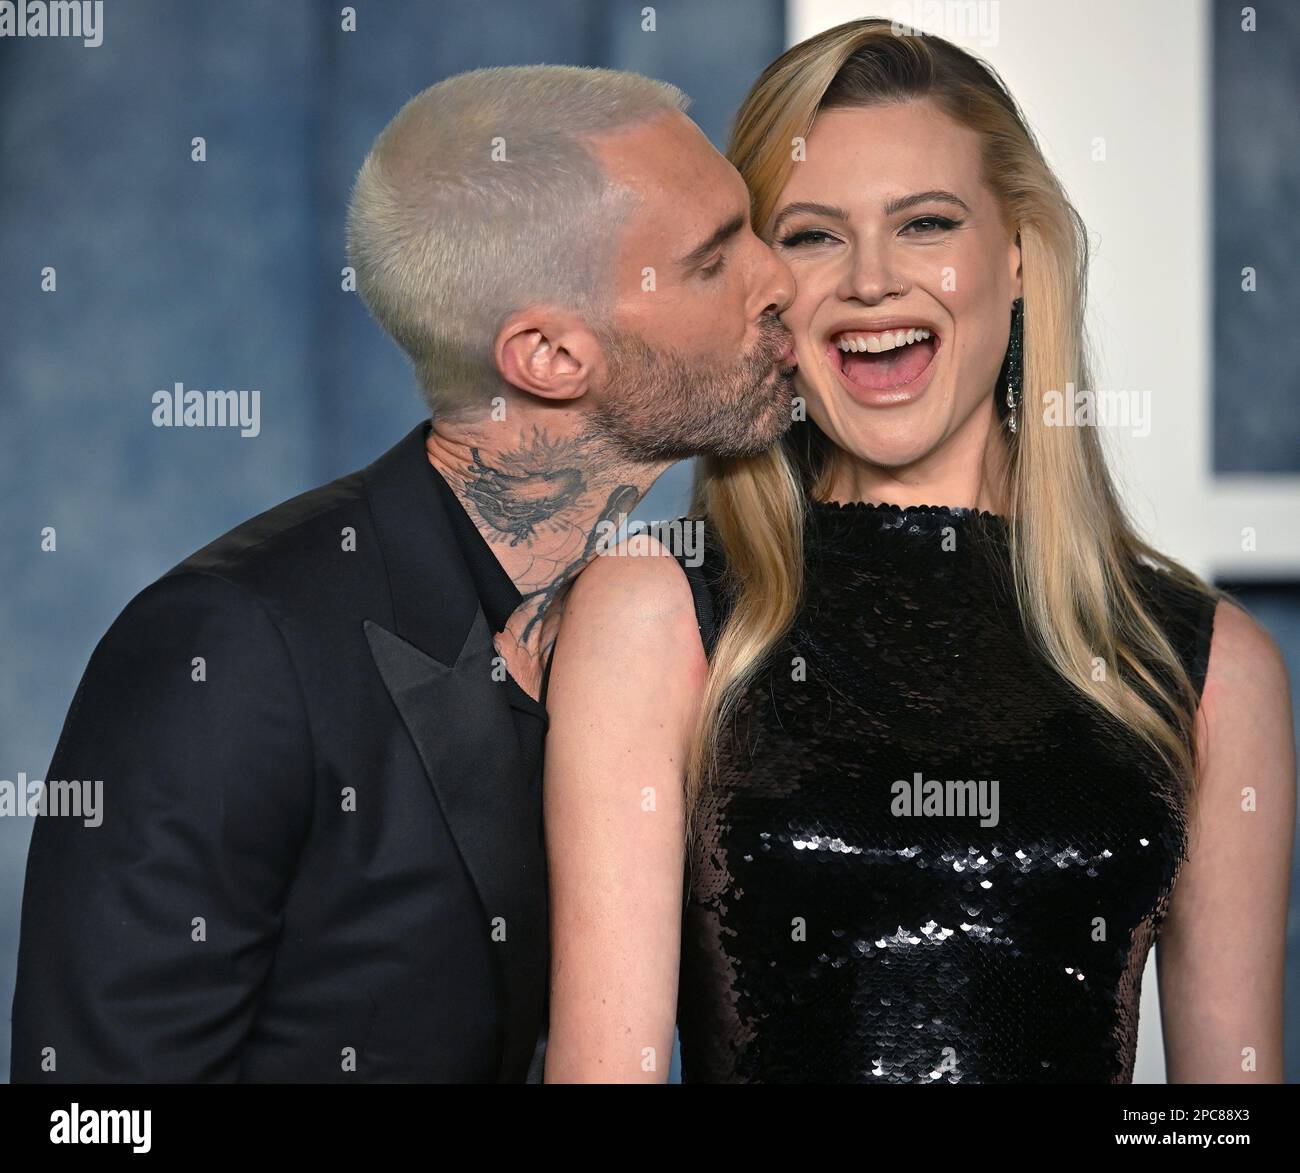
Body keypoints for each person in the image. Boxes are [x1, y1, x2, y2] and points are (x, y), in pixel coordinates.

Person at [10, 64, 795, 1083]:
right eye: (712, 261)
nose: (779, 278)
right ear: (550, 356)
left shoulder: (686, 616)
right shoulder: (231, 650)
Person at [541, 21, 1294, 1083]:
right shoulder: (654, 613)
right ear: (759, 287)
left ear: (1019, 256)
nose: (870, 281)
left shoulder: (1205, 669)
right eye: (809, 235)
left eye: (926, 223)